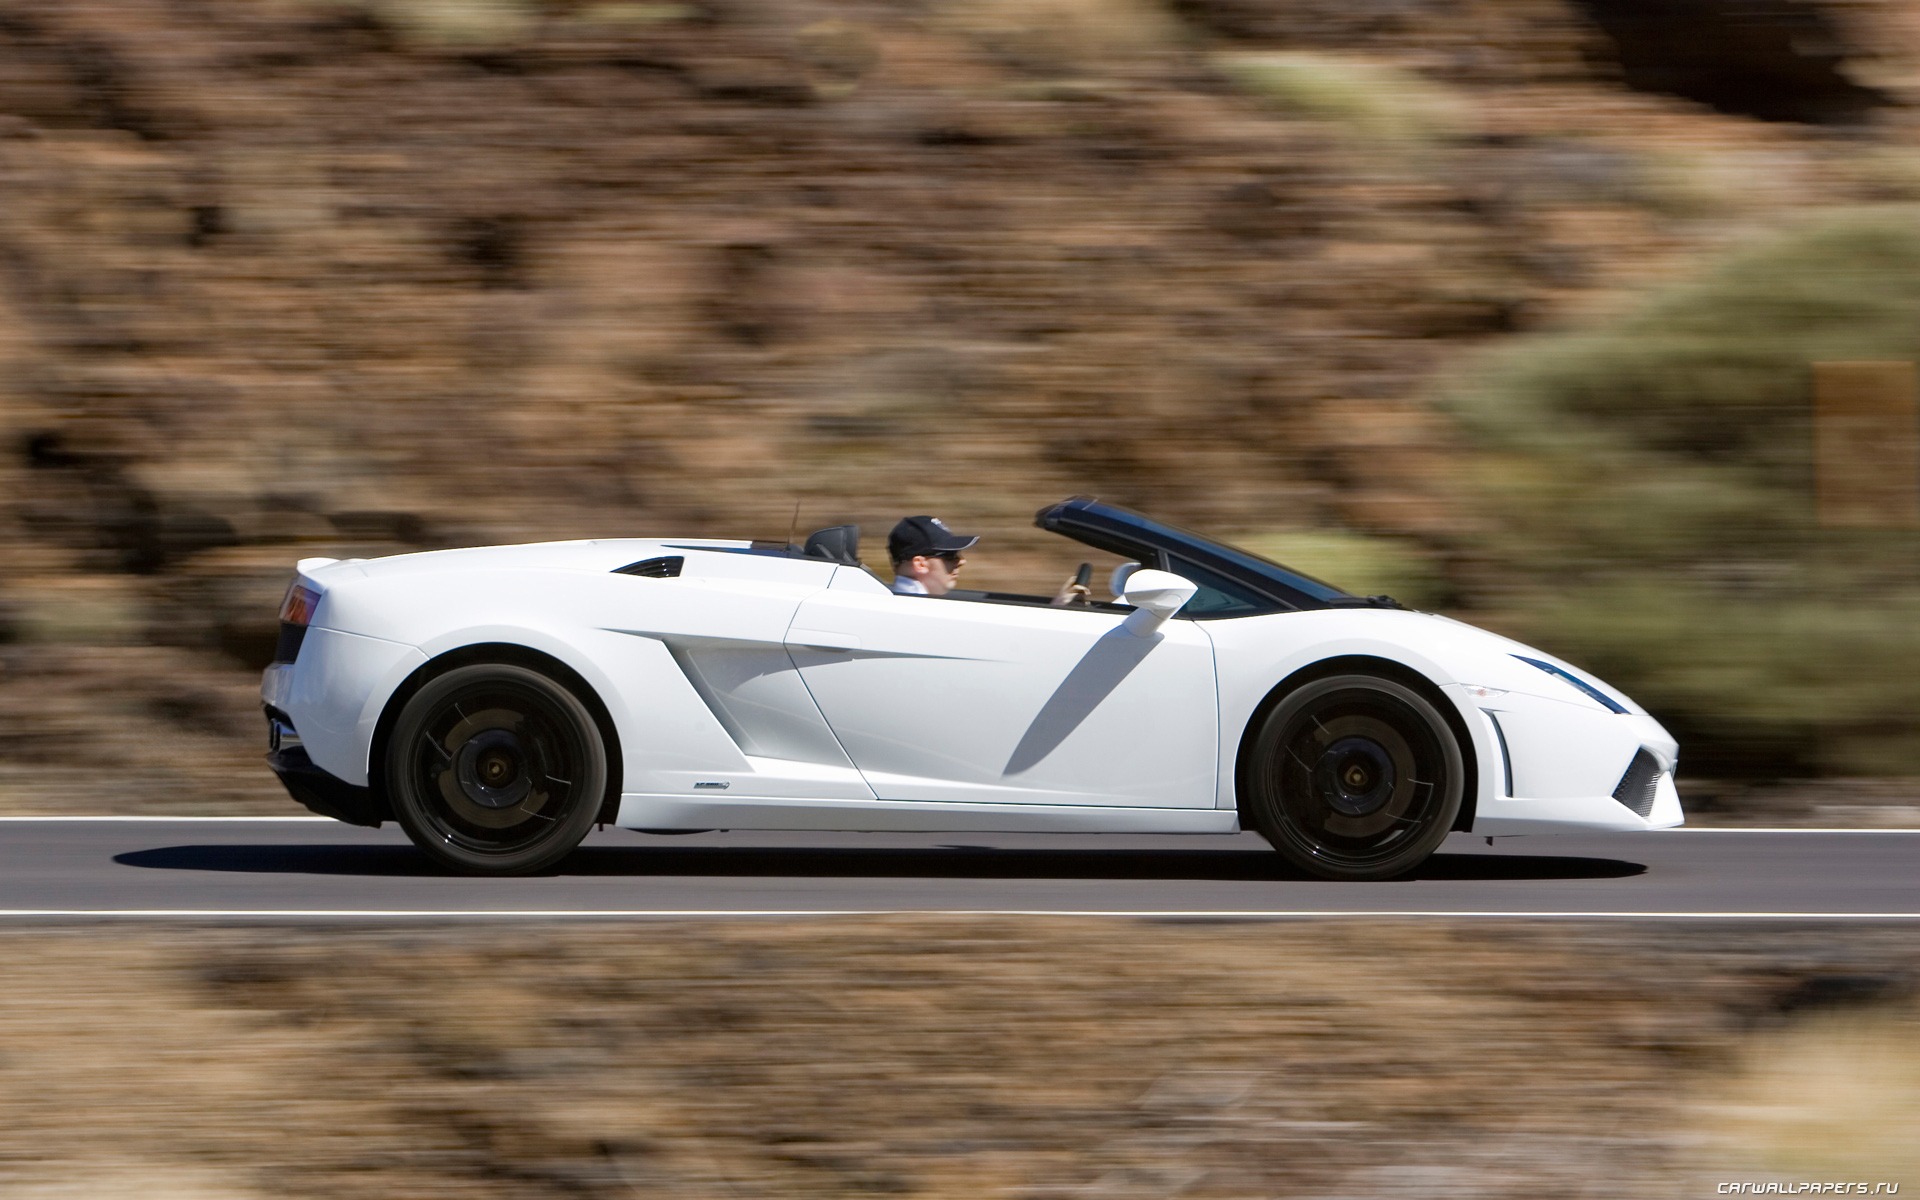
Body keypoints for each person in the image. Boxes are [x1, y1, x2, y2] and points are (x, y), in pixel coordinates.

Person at [886, 515, 1092, 605]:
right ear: (920, 564)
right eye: (950, 555)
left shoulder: (916, 606)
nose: (961, 561)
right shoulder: (919, 613)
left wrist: (1056, 607)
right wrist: (1056, 611)